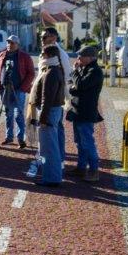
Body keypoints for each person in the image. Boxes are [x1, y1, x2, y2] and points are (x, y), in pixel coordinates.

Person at [66, 45, 104, 182]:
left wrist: (76, 72)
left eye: (81, 56)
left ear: (90, 57)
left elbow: (80, 85)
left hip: (86, 112)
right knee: (79, 142)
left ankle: (94, 171)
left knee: (87, 142)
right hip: (78, 110)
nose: (78, 59)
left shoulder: (95, 71)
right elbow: (73, 87)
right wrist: (75, 85)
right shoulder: (85, 69)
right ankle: (81, 168)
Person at [31, 45, 66, 186]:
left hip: (49, 112)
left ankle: (52, 179)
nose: (40, 57)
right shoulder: (56, 69)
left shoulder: (51, 72)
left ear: (48, 56)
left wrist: (43, 118)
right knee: (51, 147)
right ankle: (51, 176)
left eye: (42, 54)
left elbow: (47, 98)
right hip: (53, 111)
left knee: (49, 149)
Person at [0, 35, 35, 149]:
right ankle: (9, 137)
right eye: (8, 43)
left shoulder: (24, 57)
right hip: (5, 89)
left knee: (19, 114)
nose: (9, 45)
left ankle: (21, 138)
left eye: (12, 43)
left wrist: (23, 87)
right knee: (8, 114)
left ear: (17, 44)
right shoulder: (1, 55)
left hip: (19, 89)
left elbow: (31, 73)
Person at [40, 27, 73, 163]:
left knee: (56, 128)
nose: (42, 40)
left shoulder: (60, 54)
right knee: (52, 130)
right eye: (41, 37)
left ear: (53, 37)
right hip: (46, 95)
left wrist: (65, 98)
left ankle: (58, 159)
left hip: (54, 98)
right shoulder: (46, 52)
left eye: (44, 37)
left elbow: (65, 76)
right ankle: (53, 159)